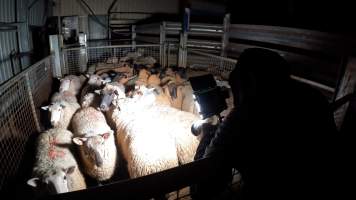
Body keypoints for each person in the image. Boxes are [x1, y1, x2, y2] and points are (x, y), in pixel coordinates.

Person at [193, 48, 337, 199]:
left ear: (250, 80)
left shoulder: (245, 116)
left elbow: (202, 189)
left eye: (236, 85)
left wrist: (206, 137)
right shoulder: (313, 97)